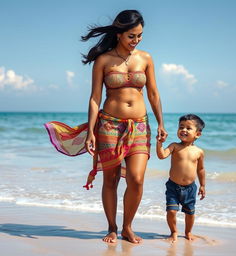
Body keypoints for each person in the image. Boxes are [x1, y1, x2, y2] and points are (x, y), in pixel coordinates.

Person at [80, 9, 167, 243]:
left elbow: (154, 93)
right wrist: (90, 131)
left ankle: (128, 227)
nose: (135, 40)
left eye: (139, 36)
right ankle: (112, 227)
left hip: (139, 125)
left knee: (136, 179)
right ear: (119, 34)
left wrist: (160, 122)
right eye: (131, 36)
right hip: (109, 125)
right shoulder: (104, 60)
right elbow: (95, 98)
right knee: (111, 180)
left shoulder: (146, 58)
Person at [156, 114, 206, 242]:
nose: (183, 130)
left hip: (190, 188)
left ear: (197, 134)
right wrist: (159, 143)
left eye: (188, 128)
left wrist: (202, 185)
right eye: (181, 127)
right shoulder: (174, 146)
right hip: (173, 186)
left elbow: (200, 169)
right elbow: (161, 155)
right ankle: (173, 232)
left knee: (190, 213)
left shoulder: (198, 151)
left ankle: (188, 232)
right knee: (171, 211)